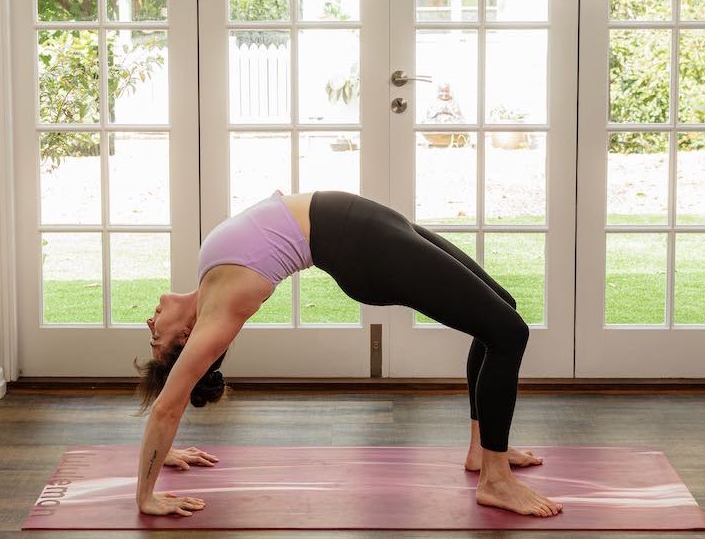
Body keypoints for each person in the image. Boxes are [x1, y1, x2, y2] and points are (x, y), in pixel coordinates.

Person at [133, 189, 562, 518]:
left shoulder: (208, 278)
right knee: (509, 333)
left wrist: (164, 450)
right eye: (157, 340)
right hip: (366, 250)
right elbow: (169, 406)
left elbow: (174, 394)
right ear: (186, 336)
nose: (150, 325)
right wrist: (146, 496)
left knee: (502, 312)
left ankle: (481, 451)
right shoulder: (219, 311)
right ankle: (495, 479)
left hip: (372, 225)